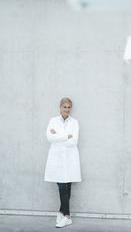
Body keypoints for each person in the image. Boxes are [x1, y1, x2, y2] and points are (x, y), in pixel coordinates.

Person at [44, 97, 81, 228]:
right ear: (60, 107)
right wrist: (66, 135)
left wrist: (57, 135)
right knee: (61, 185)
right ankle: (66, 215)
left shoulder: (75, 122)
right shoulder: (53, 121)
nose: (67, 109)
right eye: (64, 107)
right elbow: (49, 137)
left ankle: (64, 214)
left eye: (69, 107)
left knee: (67, 185)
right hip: (57, 157)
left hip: (70, 157)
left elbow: (74, 141)